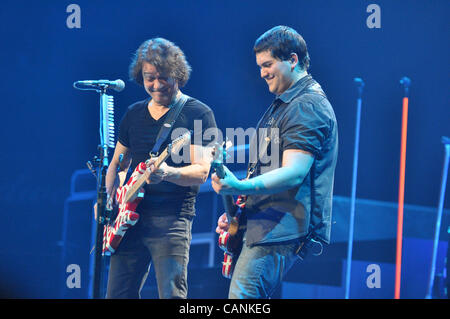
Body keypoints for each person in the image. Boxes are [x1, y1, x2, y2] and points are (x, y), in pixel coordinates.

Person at [212, 26, 338, 299]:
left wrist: (237, 185)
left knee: (242, 299)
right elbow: (268, 171)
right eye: (260, 66)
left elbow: (293, 173)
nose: (262, 73)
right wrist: (238, 215)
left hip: (280, 226)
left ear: (293, 59)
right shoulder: (284, 104)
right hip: (264, 223)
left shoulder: (307, 106)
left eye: (268, 65)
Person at [103, 37, 217, 299]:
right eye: (148, 78)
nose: (155, 85)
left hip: (172, 220)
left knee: (172, 295)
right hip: (128, 220)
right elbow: (118, 164)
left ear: (177, 74)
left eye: (162, 77)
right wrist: (107, 200)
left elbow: (201, 171)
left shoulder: (197, 113)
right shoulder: (133, 113)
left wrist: (169, 173)